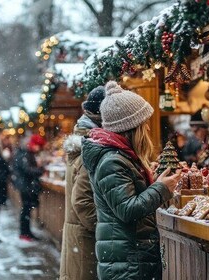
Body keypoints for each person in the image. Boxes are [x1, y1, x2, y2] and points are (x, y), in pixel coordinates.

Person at [81, 81, 181, 280]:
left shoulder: (120, 157)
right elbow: (127, 209)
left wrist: (153, 183)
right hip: (127, 262)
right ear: (131, 128)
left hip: (129, 257)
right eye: (143, 125)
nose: (147, 130)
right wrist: (161, 188)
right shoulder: (112, 161)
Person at [59, 86, 105, 280]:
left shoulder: (84, 141)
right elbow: (82, 202)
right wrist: (106, 229)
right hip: (85, 241)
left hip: (78, 238)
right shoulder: (90, 147)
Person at [12, 134, 46, 242]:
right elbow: (27, 170)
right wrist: (40, 170)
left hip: (25, 185)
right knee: (26, 209)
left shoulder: (25, 153)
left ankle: (26, 232)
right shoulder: (25, 154)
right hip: (26, 185)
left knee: (26, 209)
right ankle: (24, 233)